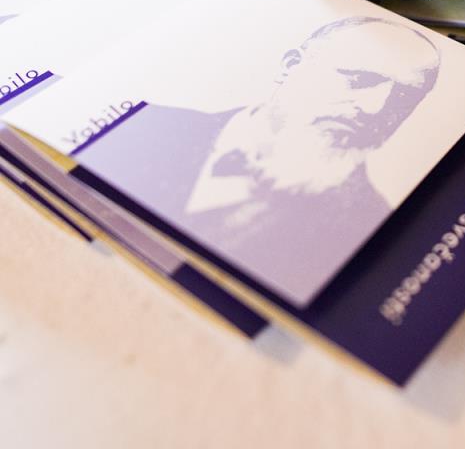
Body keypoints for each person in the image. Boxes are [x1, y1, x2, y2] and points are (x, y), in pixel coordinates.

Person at [79, 15, 442, 302]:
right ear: (291, 66)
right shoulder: (146, 127)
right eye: (359, 80)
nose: (375, 109)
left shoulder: (370, 231)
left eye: (402, 99)